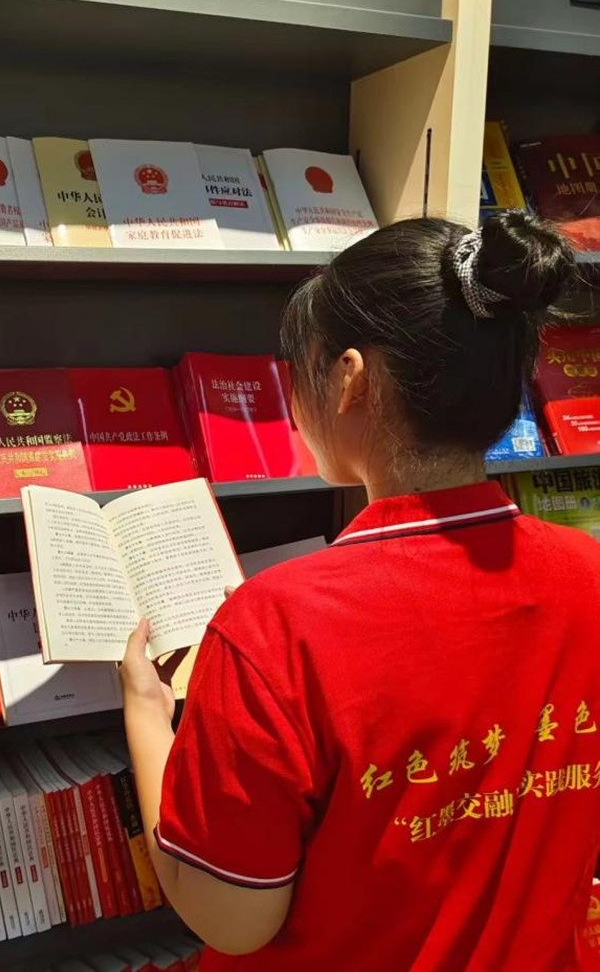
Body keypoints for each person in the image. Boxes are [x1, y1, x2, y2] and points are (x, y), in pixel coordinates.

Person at [120, 211, 600, 971]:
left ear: (349, 378)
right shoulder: (589, 571)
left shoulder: (278, 625)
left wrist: (146, 716)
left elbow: (232, 920)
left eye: (300, 372)